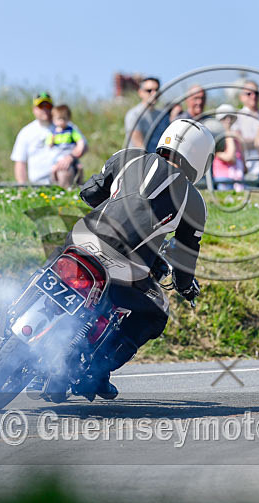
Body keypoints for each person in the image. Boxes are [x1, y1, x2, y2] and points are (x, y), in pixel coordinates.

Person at [61, 118, 214, 398]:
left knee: (54, 263)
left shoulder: (127, 156)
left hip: (82, 237)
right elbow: (184, 259)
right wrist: (185, 286)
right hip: (125, 266)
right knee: (156, 312)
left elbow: (90, 193)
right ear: (202, 157)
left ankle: (10, 313)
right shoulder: (194, 201)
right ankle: (95, 371)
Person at [11, 92, 83, 185]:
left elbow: (83, 146)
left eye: (48, 106)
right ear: (34, 109)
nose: (45, 110)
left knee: (65, 170)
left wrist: (70, 157)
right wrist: (22, 187)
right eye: (41, 106)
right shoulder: (26, 132)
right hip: (38, 184)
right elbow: (20, 162)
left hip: (63, 179)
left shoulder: (67, 126)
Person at [233, 80, 259, 178]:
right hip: (246, 168)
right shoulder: (236, 117)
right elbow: (238, 142)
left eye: (256, 93)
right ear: (241, 97)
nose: (253, 96)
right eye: (249, 93)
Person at [46, 104, 87, 187]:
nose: (61, 122)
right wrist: (51, 142)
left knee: (79, 166)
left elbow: (79, 140)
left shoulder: (71, 130)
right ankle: (56, 184)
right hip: (58, 155)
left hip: (69, 153)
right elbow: (49, 144)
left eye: (64, 119)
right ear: (54, 120)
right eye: (58, 119)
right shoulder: (53, 132)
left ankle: (80, 182)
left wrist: (80, 147)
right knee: (54, 169)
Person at [209, 103, 245, 190]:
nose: (228, 120)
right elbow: (230, 158)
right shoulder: (216, 137)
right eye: (224, 118)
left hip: (237, 177)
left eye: (231, 117)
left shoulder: (236, 135)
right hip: (223, 177)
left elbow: (242, 157)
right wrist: (228, 133)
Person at [124, 77, 164, 150]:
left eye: (156, 90)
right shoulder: (134, 115)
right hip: (139, 159)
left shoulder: (162, 115)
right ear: (140, 93)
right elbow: (139, 145)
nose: (154, 93)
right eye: (149, 90)